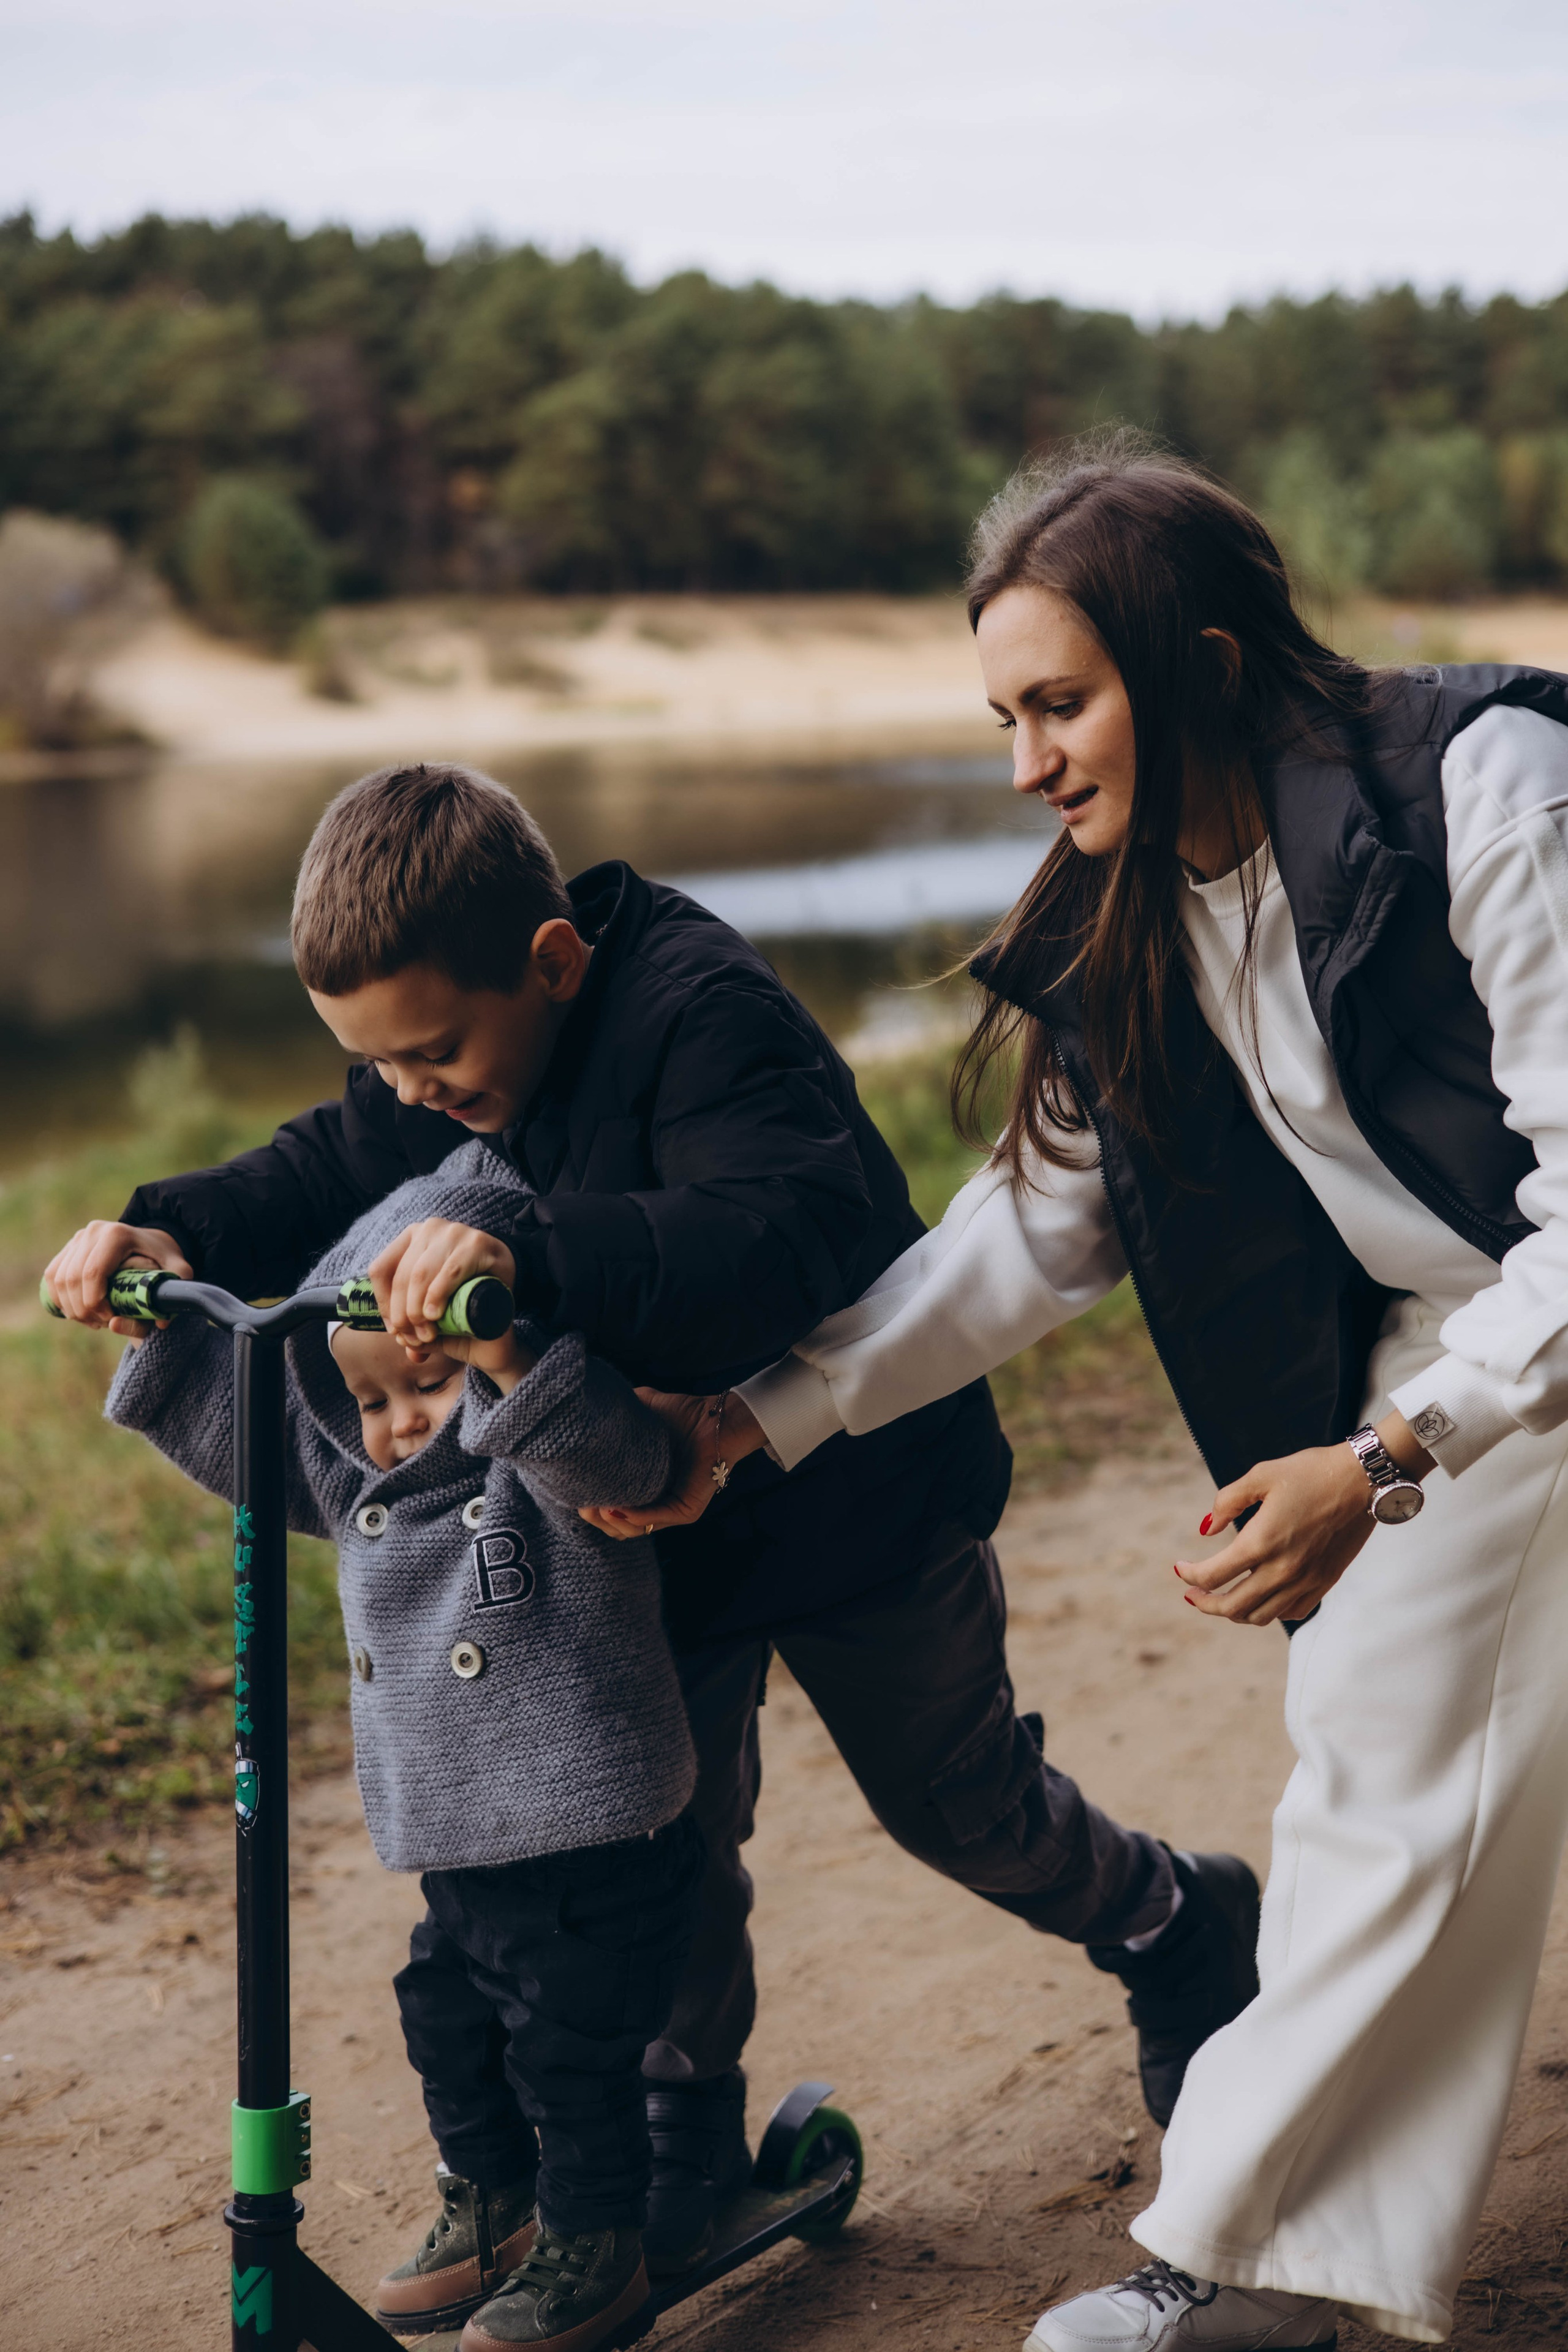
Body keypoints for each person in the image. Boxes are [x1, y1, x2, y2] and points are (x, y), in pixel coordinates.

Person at [603, 434, 1568, 2348]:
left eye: (1060, 704)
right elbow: (1032, 1231)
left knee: (1407, 1759)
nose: (1027, 765)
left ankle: (1246, 2254)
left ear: (1201, 663)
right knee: (1381, 1757)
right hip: (1450, 1345)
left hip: (1509, 1327)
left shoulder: (1488, 786)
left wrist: (1382, 1459)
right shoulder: (1124, 903)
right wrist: (751, 1420)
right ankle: (1266, 2266)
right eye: (1003, 717)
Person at [43, 760, 1259, 2266]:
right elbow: (327, 1160)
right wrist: (174, 1224)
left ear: (552, 963)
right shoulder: (448, 1041)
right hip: (633, 1516)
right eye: (384, 1066)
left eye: (432, 1059)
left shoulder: (705, 1013)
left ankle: (1169, 1920)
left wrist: (528, 1258)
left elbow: (779, 1239)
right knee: (659, 1837)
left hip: (850, 1493)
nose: (413, 1094)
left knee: (958, 1805)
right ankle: (688, 2144)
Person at [101, 1143, 703, 2352]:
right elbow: (256, 1441)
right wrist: (150, 1320)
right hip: (466, 1841)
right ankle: (496, 2204)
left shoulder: (540, 1451)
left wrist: (504, 1357)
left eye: (422, 1386)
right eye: (367, 1402)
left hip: (592, 1835)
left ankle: (598, 2239)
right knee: (444, 2017)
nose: (394, 1425)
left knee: (568, 2055)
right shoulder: (357, 1483)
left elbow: (631, 1460)